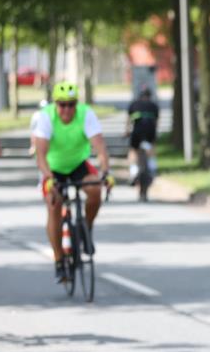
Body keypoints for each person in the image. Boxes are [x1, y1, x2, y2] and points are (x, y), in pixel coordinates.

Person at [31, 81, 112, 282]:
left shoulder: (86, 114)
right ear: (56, 104)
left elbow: (100, 147)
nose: (67, 109)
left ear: (76, 104)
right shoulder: (46, 117)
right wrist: (49, 177)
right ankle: (59, 258)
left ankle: (87, 226)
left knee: (95, 189)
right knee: (54, 203)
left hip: (77, 164)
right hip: (53, 168)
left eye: (71, 104)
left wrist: (106, 172)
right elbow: (40, 154)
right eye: (62, 104)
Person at [125, 86, 159, 185]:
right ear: (149, 96)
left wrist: (127, 132)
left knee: (133, 150)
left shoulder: (134, 104)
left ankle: (133, 171)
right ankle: (153, 169)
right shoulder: (154, 106)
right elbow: (156, 122)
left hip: (137, 131)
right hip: (150, 131)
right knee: (151, 147)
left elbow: (128, 120)